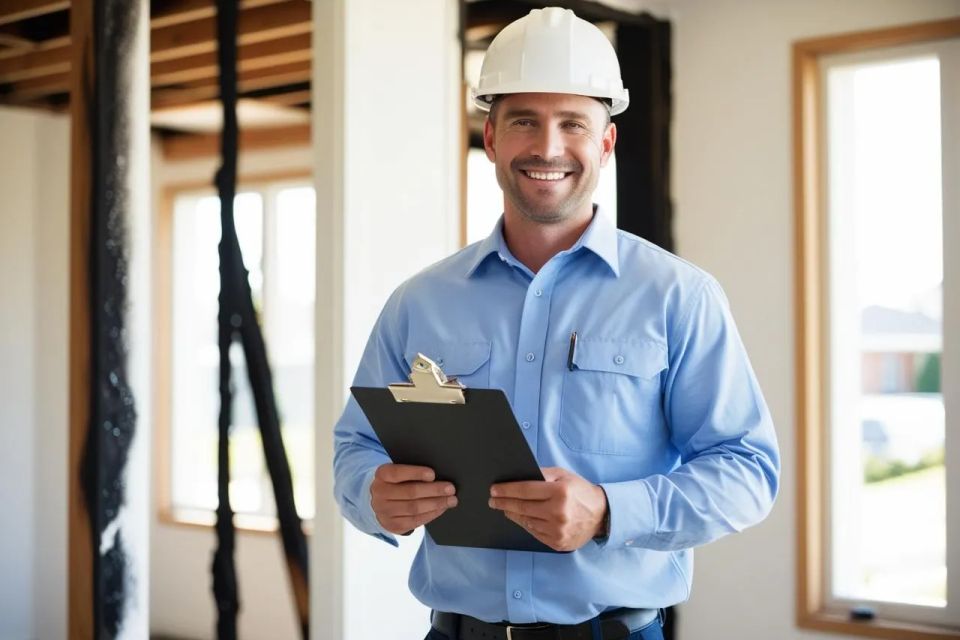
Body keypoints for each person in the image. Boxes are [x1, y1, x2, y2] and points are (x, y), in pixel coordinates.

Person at [333, 7, 780, 640]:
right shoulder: (419, 302)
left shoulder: (680, 296)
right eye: (524, 121)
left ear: (605, 142)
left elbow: (747, 469)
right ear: (491, 137)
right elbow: (356, 447)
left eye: (573, 123)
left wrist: (607, 510)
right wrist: (372, 496)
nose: (547, 147)